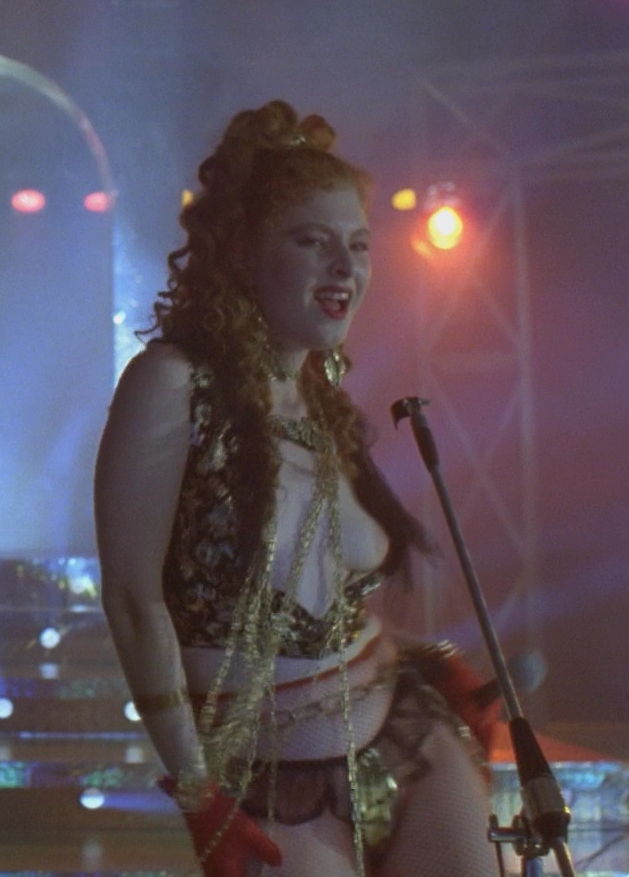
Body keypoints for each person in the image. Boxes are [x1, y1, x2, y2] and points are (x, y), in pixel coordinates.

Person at [94, 100, 499, 877]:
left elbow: (323, 602)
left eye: (357, 245)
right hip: (271, 772)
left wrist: (432, 659)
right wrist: (198, 792)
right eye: (312, 241)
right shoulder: (171, 384)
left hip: (406, 727)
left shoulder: (321, 403)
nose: (344, 266)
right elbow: (132, 599)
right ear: (242, 253)